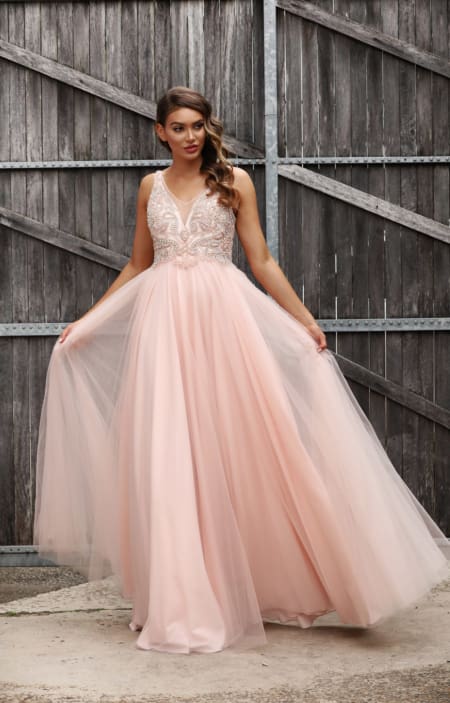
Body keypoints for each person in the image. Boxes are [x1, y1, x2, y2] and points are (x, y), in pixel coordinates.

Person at [33, 86, 448, 655]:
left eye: (197, 126)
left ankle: (279, 579)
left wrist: (304, 320)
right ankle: (180, 598)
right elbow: (136, 263)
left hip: (222, 327)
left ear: (208, 128)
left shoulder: (235, 181)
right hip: (163, 333)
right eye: (177, 127)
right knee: (170, 455)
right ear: (160, 132)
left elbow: (262, 261)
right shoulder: (149, 187)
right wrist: (86, 322)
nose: (189, 136)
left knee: (243, 451)